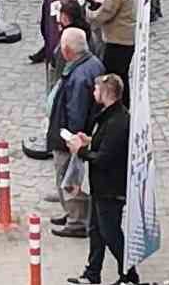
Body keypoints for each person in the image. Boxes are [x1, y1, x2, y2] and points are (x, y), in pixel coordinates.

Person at [65, 75, 138, 284]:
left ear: (106, 93)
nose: (93, 92)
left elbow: (104, 158)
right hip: (101, 187)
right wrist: (89, 141)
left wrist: (80, 151)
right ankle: (92, 273)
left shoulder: (118, 121)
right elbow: (104, 143)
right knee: (96, 231)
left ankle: (129, 275)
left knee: (110, 233)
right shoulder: (108, 116)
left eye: (96, 89)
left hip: (111, 188)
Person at [46, 27, 105, 238]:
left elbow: (76, 112)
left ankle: (77, 219)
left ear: (67, 51)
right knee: (69, 177)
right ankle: (72, 213)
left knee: (68, 178)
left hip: (69, 137)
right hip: (80, 133)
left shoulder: (79, 76)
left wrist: (70, 139)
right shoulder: (93, 63)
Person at [87, 0, 137, 106]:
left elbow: (102, 16)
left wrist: (85, 13)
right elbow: (119, 4)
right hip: (128, 38)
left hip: (117, 40)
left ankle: (117, 107)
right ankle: (125, 106)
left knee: (113, 79)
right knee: (122, 76)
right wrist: (104, 1)